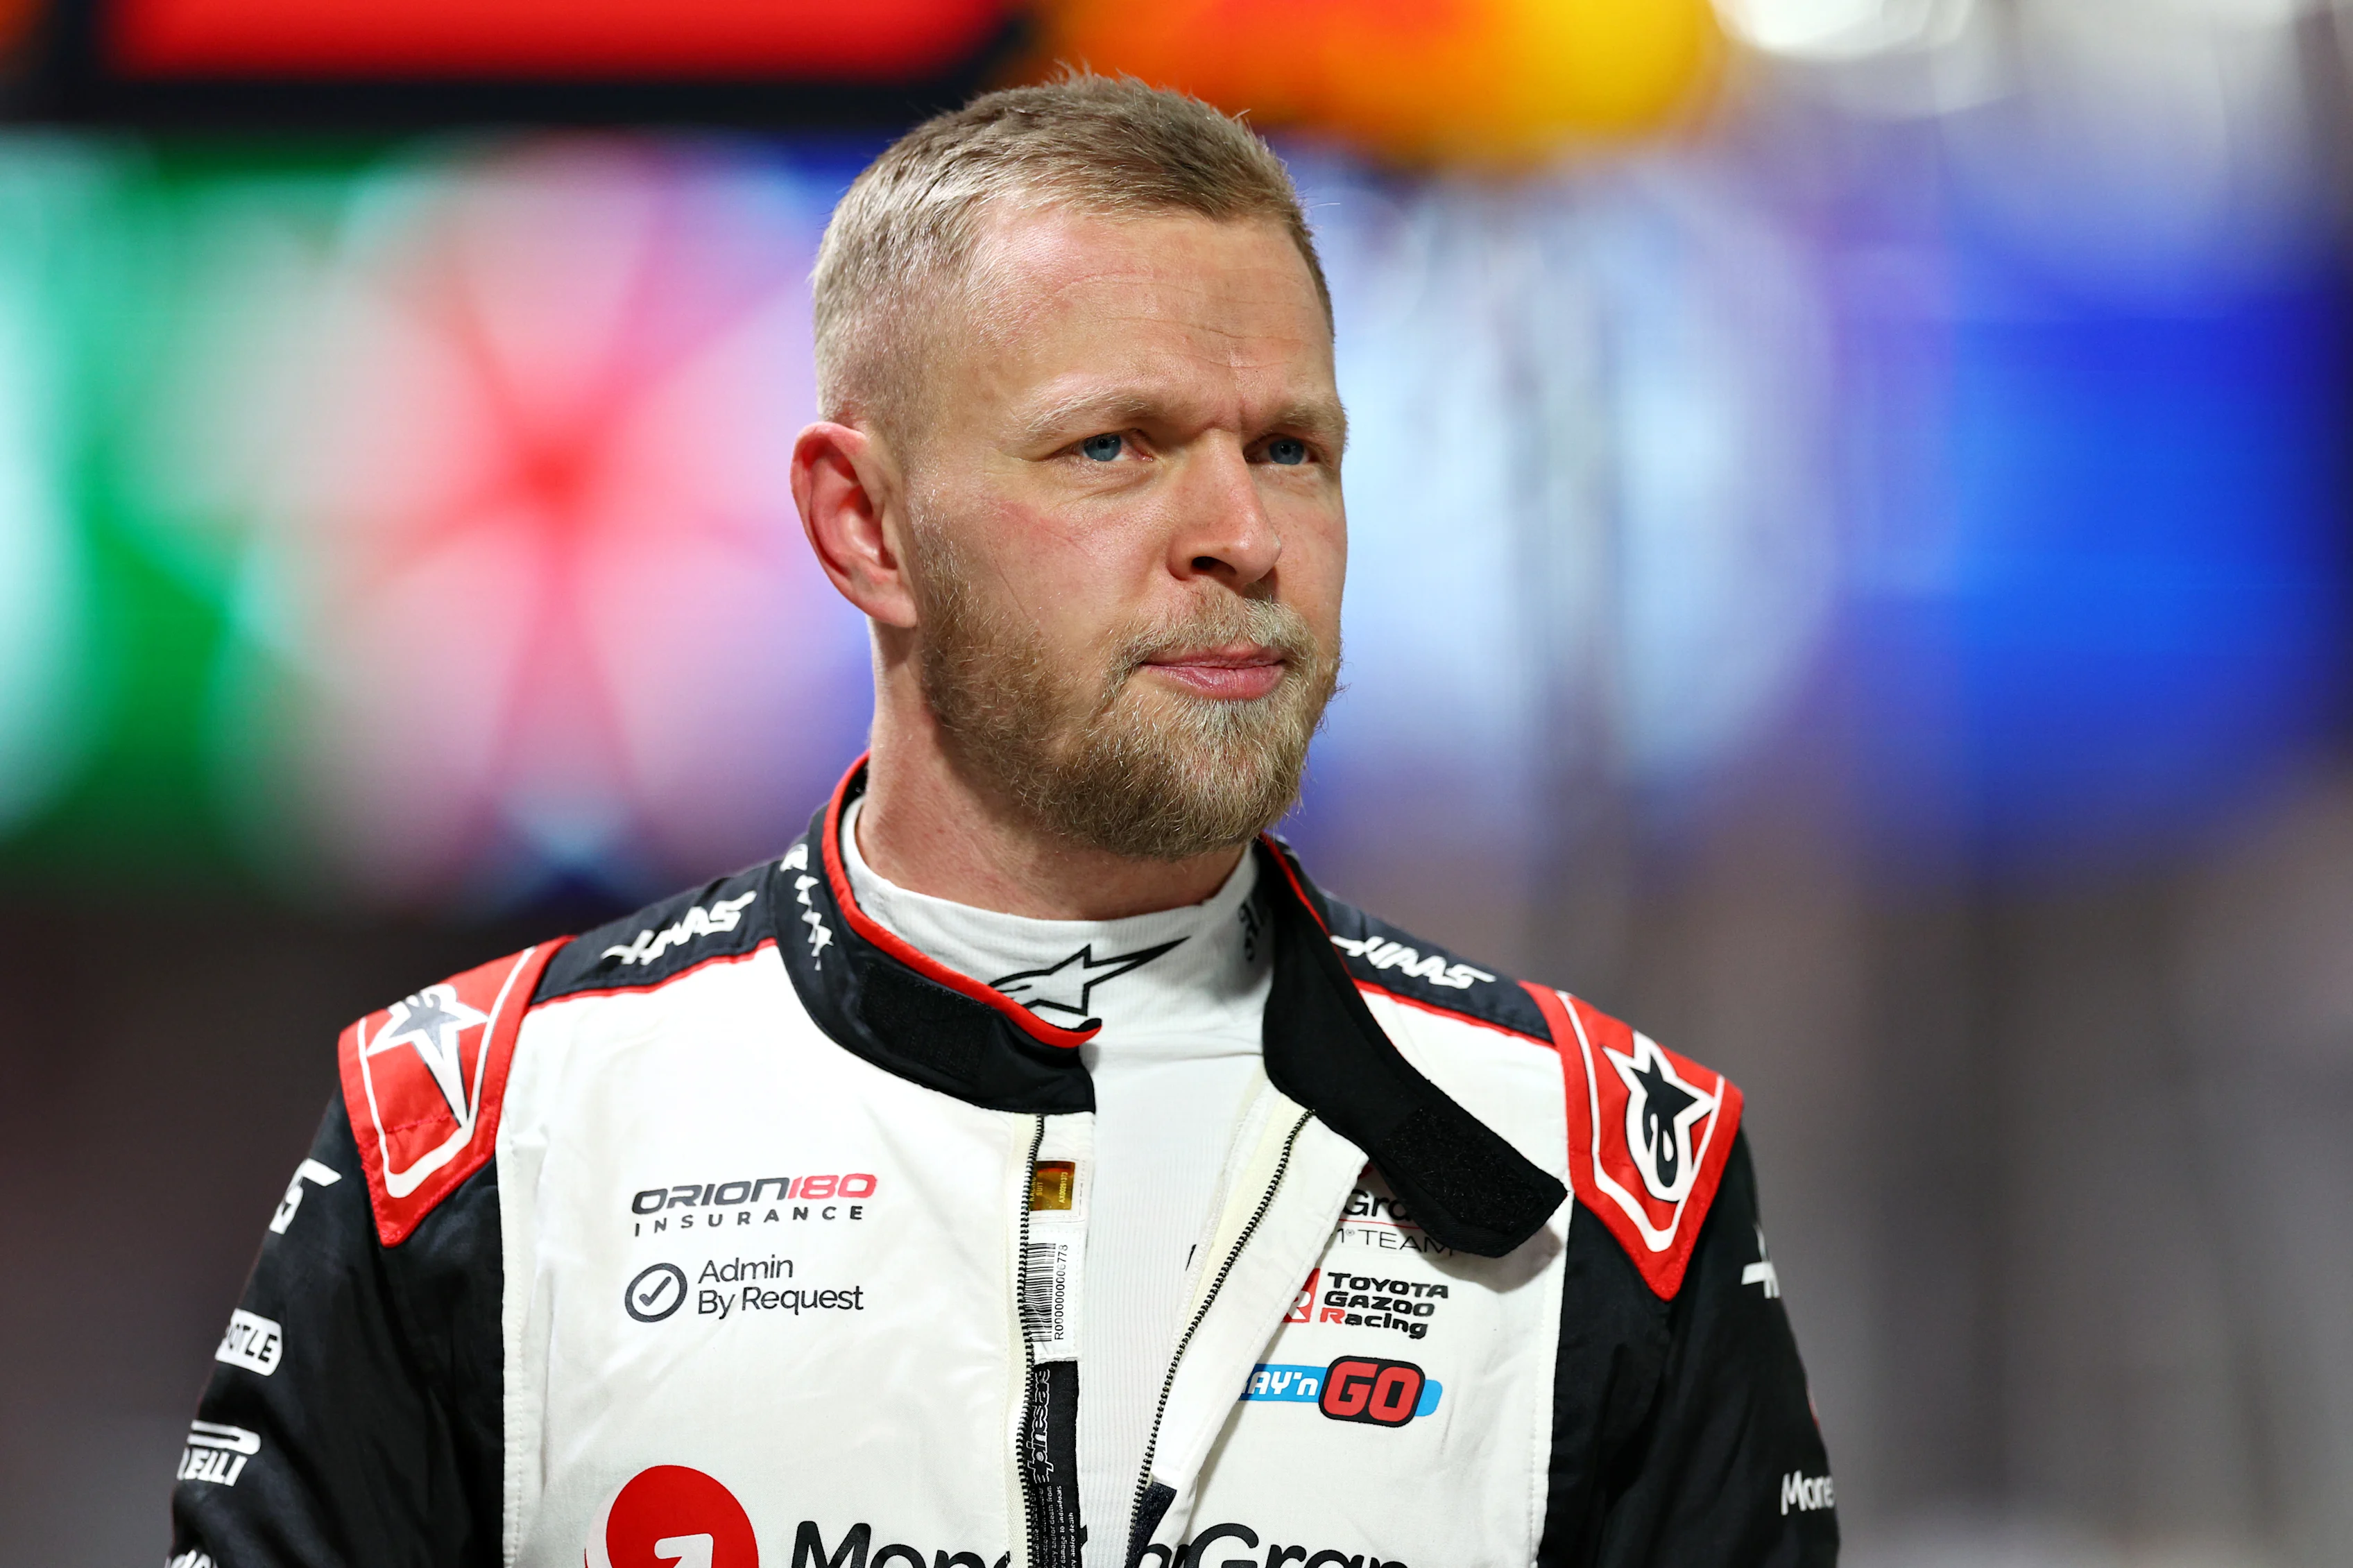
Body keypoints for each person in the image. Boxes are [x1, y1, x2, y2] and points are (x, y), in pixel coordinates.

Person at [169, 76, 1836, 1568]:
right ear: (864, 526)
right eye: (1112, 445)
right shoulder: (476, 1134)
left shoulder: (1610, 1162)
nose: (1241, 535)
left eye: (1290, 447)